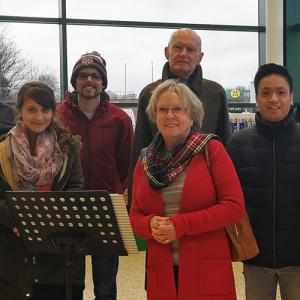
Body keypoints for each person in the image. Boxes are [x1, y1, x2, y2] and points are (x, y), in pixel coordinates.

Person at [129, 79, 245, 300]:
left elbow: (234, 207)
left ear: (192, 115)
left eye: (178, 109)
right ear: (154, 115)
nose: (169, 115)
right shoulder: (145, 160)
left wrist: (179, 225)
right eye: (162, 109)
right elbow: (135, 215)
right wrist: (149, 224)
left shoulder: (211, 150)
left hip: (206, 266)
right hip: (162, 271)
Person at [57, 51, 133, 300]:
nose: (89, 80)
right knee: (70, 279)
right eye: (83, 75)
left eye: (95, 76)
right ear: (74, 81)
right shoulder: (58, 117)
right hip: (69, 205)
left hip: (105, 207)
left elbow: (126, 164)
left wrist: (119, 196)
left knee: (106, 283)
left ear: (103, 82)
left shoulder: (119, 119)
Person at [0, 82, 85, 300]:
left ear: (53, 111)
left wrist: (48, 220)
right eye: (32, 109)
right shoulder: (2, 150)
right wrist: (19, 220)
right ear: (19, 111)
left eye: (45, 110)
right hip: (13, 248)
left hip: (56, 245)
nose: (39, 117)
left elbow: (75, 189)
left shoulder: (68, 147)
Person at [128, 28, 231, 207]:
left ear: (200, 56)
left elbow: (226, 145)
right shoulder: (149, 94)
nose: (183, 54)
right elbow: (139, 150)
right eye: (177, 48)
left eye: (190, 49)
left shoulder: (215, 93)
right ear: (166, 52)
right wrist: (133, 203)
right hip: (159, 189)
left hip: (206, 193)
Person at [227, 63, 300, 300]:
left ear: (292, 97)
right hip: (256, 258)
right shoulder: (238, 144)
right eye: (265, 93)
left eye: (281, 92)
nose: (274, 99)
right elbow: (230, 200)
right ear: (256, 98)